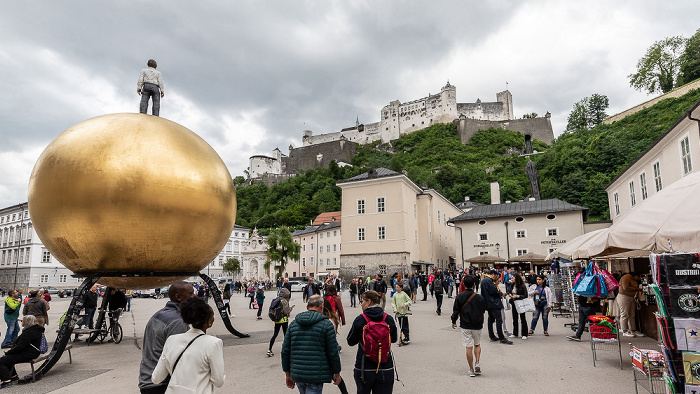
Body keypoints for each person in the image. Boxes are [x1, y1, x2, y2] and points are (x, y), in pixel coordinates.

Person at [152, 297, 225, 393]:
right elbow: (218, 382)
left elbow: (156, 378)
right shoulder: (213, 343)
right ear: (209, 321)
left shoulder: (171, 340)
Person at [139, 281, 194, 394]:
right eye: (191, 294)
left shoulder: (159, 314)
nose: (194, 297)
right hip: (162, 384)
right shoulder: (177, 321)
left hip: (148, 380)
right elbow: (178, 360)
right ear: (178, 297)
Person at [282, 295, 342, 393]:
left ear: (307, 307)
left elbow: (285, 351)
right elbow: (333, 352)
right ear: (321, 306)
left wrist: (287, 374)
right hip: (316, 375)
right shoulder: (326, 325)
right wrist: (337, 372)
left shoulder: (293, 324)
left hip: (298, 373)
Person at [347, 290, 398, 393]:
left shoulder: (360, 320)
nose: (361, 304)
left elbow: (350, 341)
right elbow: (394, 339)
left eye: (362, 301)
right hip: (385, 367)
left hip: (364, 367)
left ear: (368, 302)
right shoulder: (387, 318)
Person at [451, 275, 487, 377]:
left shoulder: (459, 297)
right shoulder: (479, 297)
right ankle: (477, 362)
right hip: (477, 324)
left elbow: (456, 311)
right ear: (474, 284)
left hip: (465, 324)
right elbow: (483, 310)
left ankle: (471, 369)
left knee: (468, 347)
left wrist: (453, 321)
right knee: (477, 344)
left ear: (463, 284)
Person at [0, 315, 44, 388]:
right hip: (32, 352)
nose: (21, 322)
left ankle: (6, 381)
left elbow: (20, 347)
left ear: (27, 322)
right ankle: (14, 376)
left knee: (2, 361)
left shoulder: (29, 332)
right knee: (8, 359)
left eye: (22, 321)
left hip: (28, 354)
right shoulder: (36, 330)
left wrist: (8, 353)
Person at [481, 270, 512, 345]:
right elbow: (494, 291)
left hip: (488, 303)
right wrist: (501, 294)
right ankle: (501, 338)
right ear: (493, 274)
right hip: (494, 303)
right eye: (495, 276)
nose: (496, 278)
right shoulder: (489, 280)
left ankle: (492, 336)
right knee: (499, 320)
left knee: (491, 319)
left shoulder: (484, 280)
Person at [268, 288, 293, 357]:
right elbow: (286, 311)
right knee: (286, 335)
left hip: (277, 320)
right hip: (284, 320)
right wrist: (290, 309)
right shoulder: (284, 301)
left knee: (275, 334)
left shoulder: (276, 299)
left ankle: (269, 349)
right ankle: (287, 349)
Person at [617, 272, 644, 337]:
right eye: (638, 277)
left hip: (631, 297)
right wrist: (637, 289)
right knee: (624, 314)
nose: (639, 279)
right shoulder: (626, 277)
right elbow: (625, 287)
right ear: (635, 276)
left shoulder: (632, 279)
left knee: (632, 314)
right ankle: (624, 331)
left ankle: (633, 330)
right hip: (624, 297)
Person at [507, 274, 529, 340]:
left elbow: (525, 295)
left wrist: (517, 296)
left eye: (513, 278)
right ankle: (515, 333)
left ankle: (524, 334)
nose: (512, 279)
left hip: (520, 303)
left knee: (522, 318)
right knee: (514, 318)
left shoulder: (522, 286)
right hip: (514, 303)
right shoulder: (512, 285)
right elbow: (509, 291)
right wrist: (510, 294)